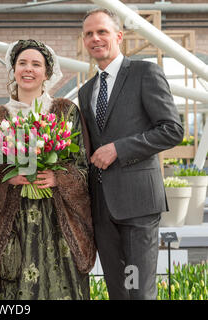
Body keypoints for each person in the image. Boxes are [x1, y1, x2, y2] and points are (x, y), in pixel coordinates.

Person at [78, 8, 184, 300]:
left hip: (138, 207)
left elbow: (172, 129)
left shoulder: (144, 73)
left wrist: (119, 149)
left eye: (102, 32)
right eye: (89, 34)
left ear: (119, 36)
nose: (95, 38)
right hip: (102, 210)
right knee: (119, 292)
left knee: (138, 291)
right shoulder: (86, 91)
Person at [0, 39, 96, 300]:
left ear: (47, 73)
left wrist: (58, 178)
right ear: (13, 69)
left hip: (59, 225)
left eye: (36, 64)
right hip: (15, 224)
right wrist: (8, 178)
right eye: (22, 63)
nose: (28, 69)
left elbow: (83, 166)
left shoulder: (65, 112)